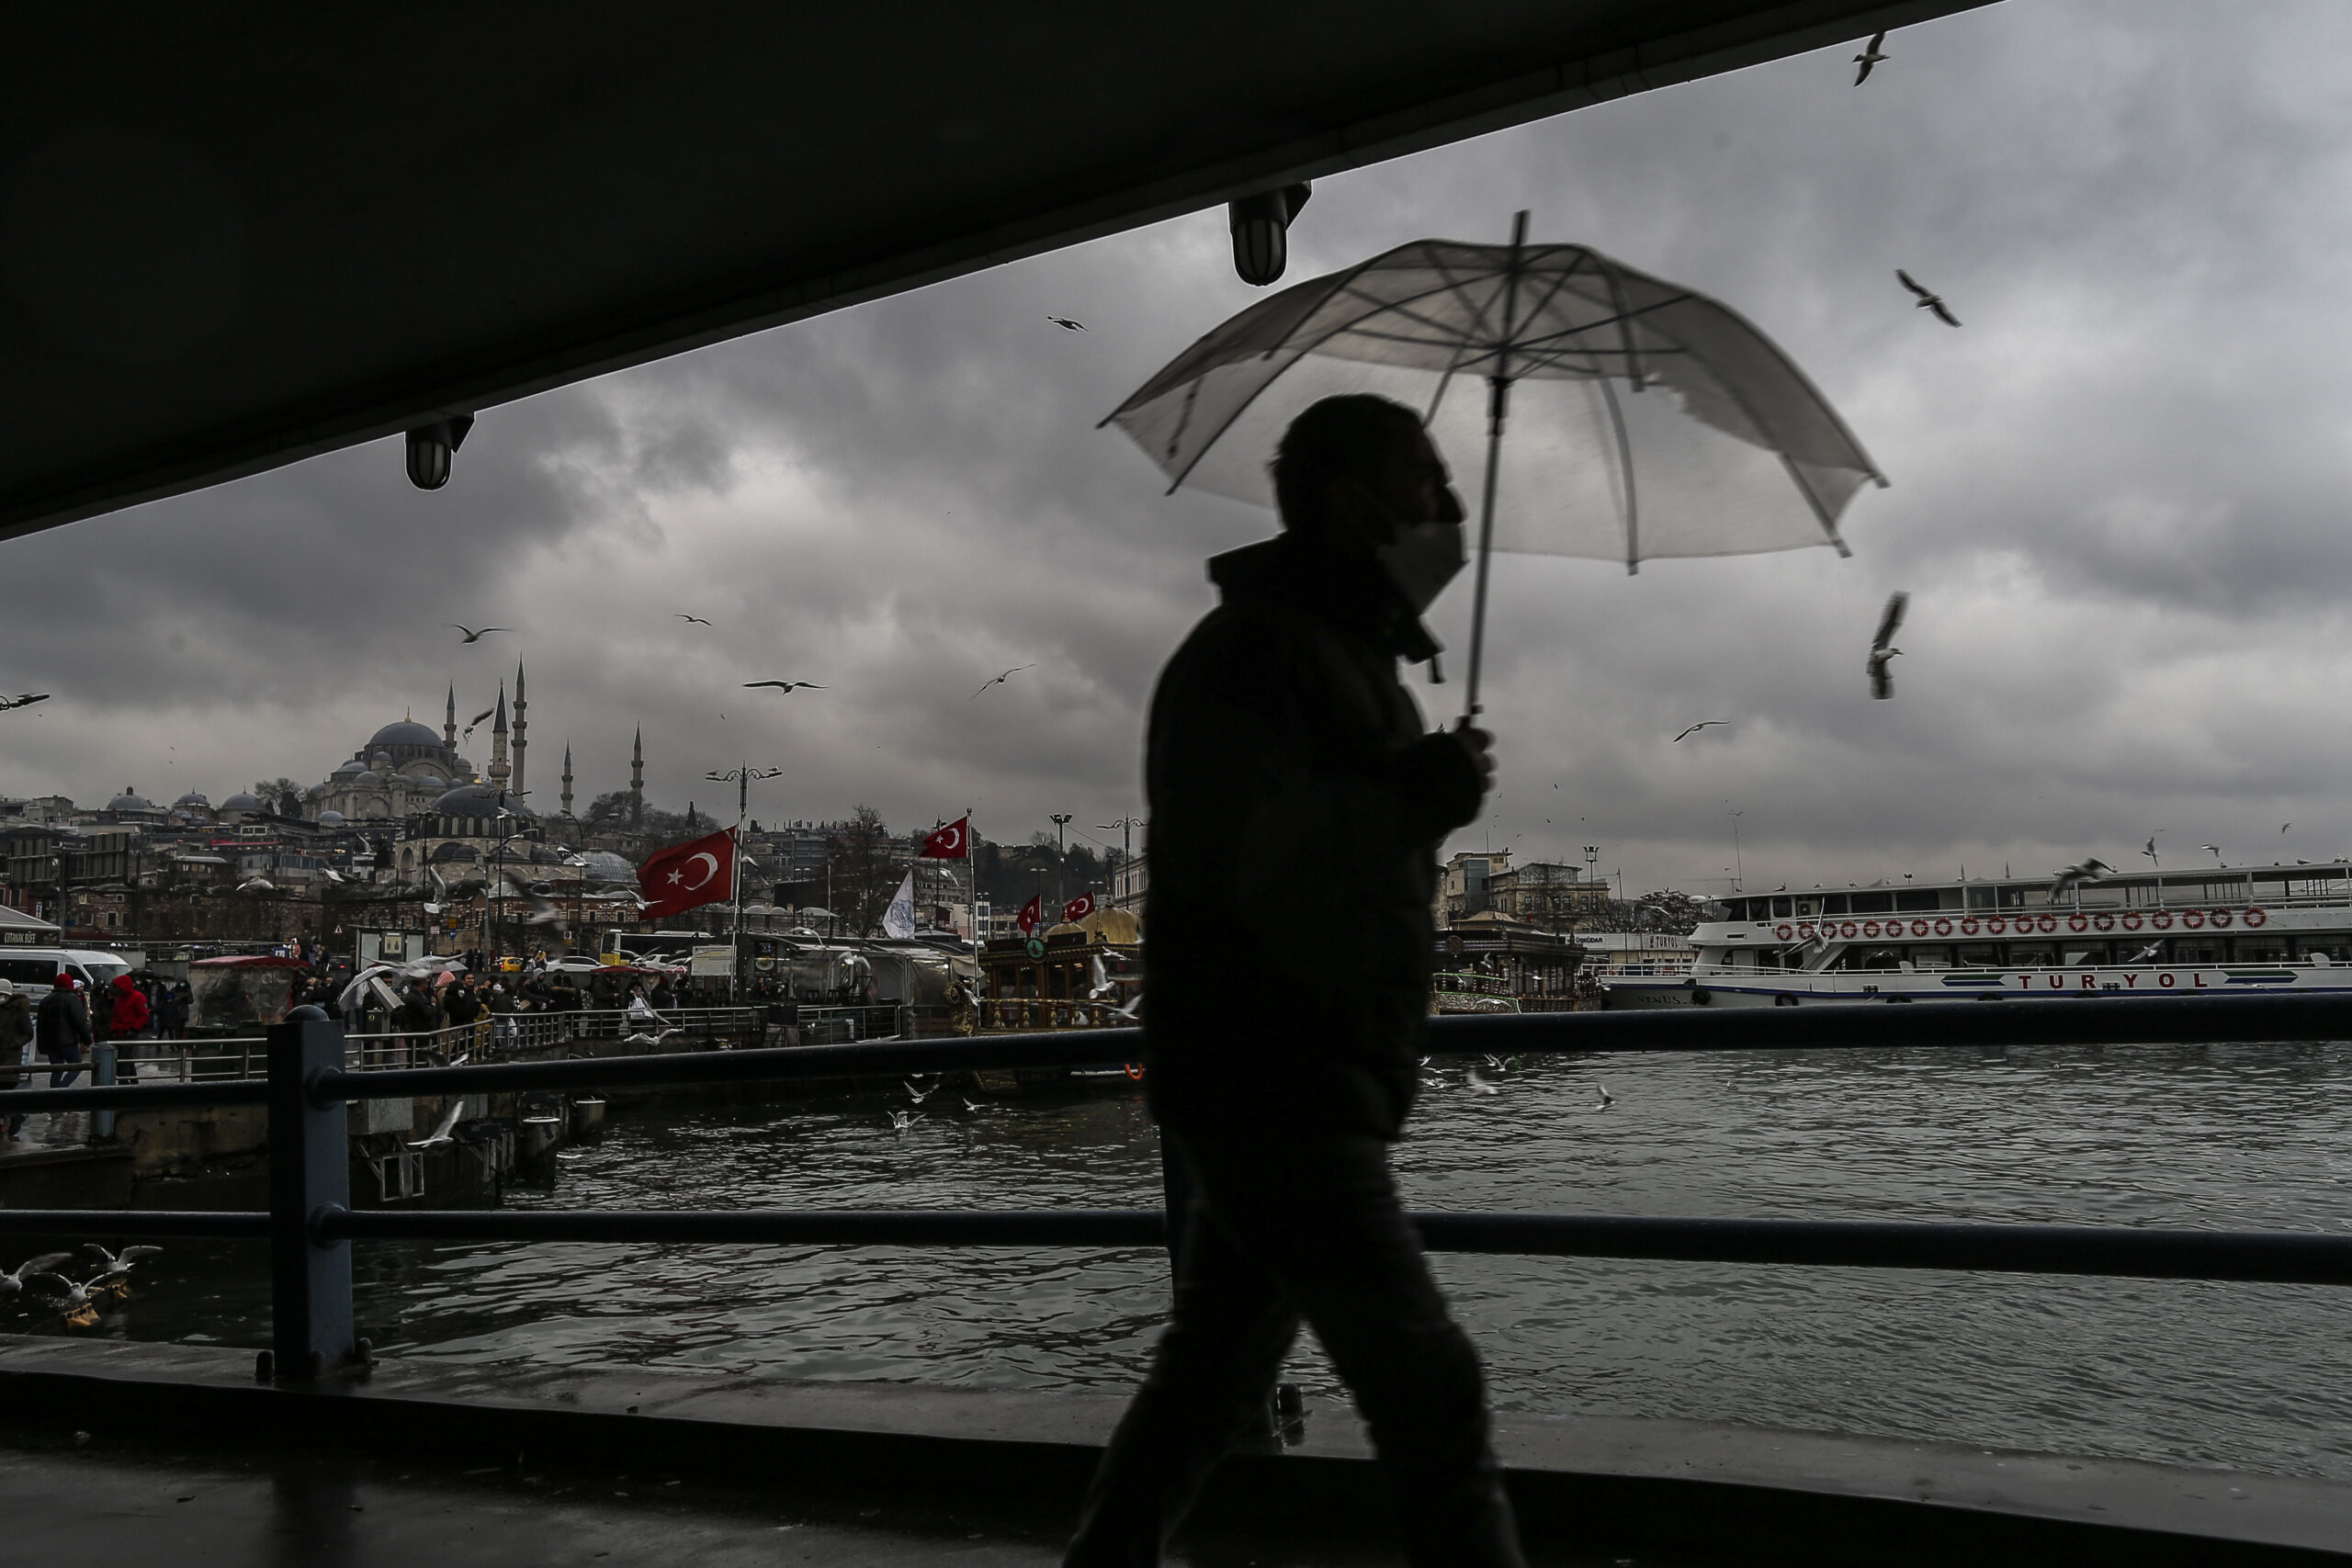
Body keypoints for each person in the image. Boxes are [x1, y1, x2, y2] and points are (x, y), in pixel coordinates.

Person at [1063, 396, 1512, 1566]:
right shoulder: (1252, 654)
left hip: (1286, 1069)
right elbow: (1246, 858)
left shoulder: (1344, 660)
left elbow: (1333, 849)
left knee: (1212, 1377)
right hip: (1280, 1075)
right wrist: (1417, 797)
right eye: (1424, 479)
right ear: (1351, 503)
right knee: (1430, 1387)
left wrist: (1421, 791)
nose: (1448, 506)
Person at [36, 974, 92, 1089]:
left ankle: (54, 1093)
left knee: (56, 1070)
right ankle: (62, 1089)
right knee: (77, 1066)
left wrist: (41, 1045)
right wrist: (87, 1039)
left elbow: (40, 1025)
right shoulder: (72, 999)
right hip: (68, 1041)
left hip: (50, 1042)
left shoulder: (46, 1000)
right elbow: (79, 1021)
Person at [105, 972, 152, 1083]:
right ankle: (133, 1083)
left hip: (129, 1033)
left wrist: (134, 1028)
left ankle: (124, 1083)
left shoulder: (137, 997)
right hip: (119, 1033)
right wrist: (113, 1029)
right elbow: (115, 1016)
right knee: (127, 1060)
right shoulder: (120, 998)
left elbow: (144, 1015)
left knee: (124, 1061)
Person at [0, 981, 32, 1139]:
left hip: (11, 1057)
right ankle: (11, 1119)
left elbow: (28, 1033)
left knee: (5, 1088)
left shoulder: (19, 1011)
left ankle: (13, 1119)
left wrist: (15, 1043)